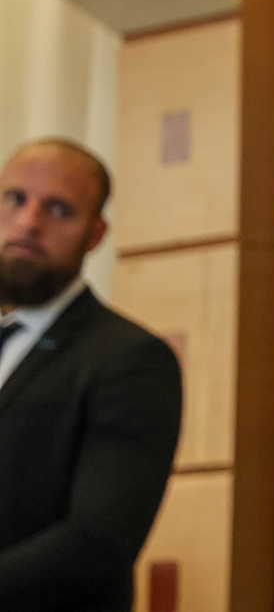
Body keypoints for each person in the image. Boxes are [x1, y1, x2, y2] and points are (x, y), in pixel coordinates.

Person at [0, 138, 183, 611]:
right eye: (15, 199)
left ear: (95, 235)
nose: (29, 222)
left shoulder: (130, 359)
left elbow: (97, 542)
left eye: (58, 209)